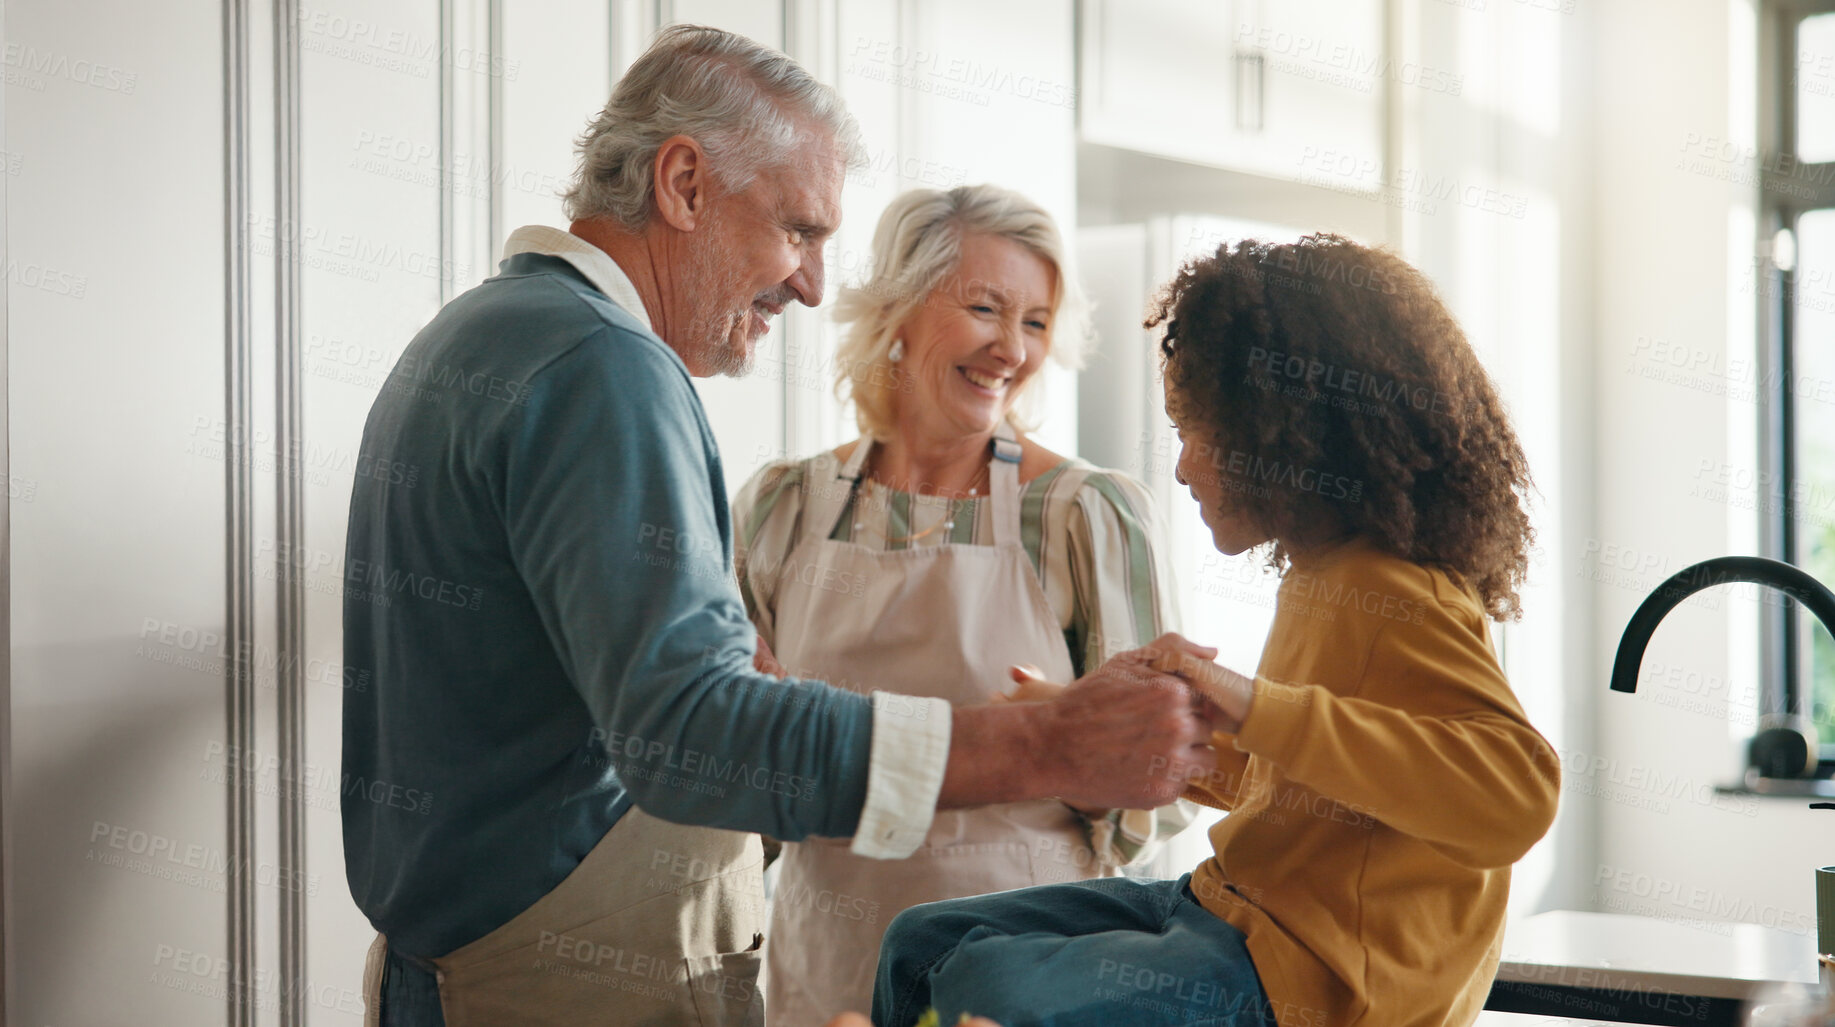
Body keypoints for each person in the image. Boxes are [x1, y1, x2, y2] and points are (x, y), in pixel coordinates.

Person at [340, 25, 1215, 1027]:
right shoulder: (604, 369)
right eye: (798, 231)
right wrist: (1039, 744)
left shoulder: (484, 334)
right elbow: (692, 731)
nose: (809, 283)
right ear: (682, 185)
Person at [871, 234, 1564, 1027]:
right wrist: (1105, 726)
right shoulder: (1321, 573)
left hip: (1313, 970)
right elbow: (1321, 787)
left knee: (995, 990)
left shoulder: (1395, 590)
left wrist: (1249, 701)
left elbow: (1517, 794)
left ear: (1282, 435)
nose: (1182, 467)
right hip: (1231, 906)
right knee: (918, 943)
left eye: (1195, 432)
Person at [733, 184, 1196, 1024]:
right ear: (898, 311)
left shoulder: (1083, 513)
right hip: (825, 958)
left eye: (1035, 322)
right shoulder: (784, 507)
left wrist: (1082, 750)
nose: (1010, 350)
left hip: (1015, 969)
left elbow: (1157, 785)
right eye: (985, 308)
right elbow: (734, 763)